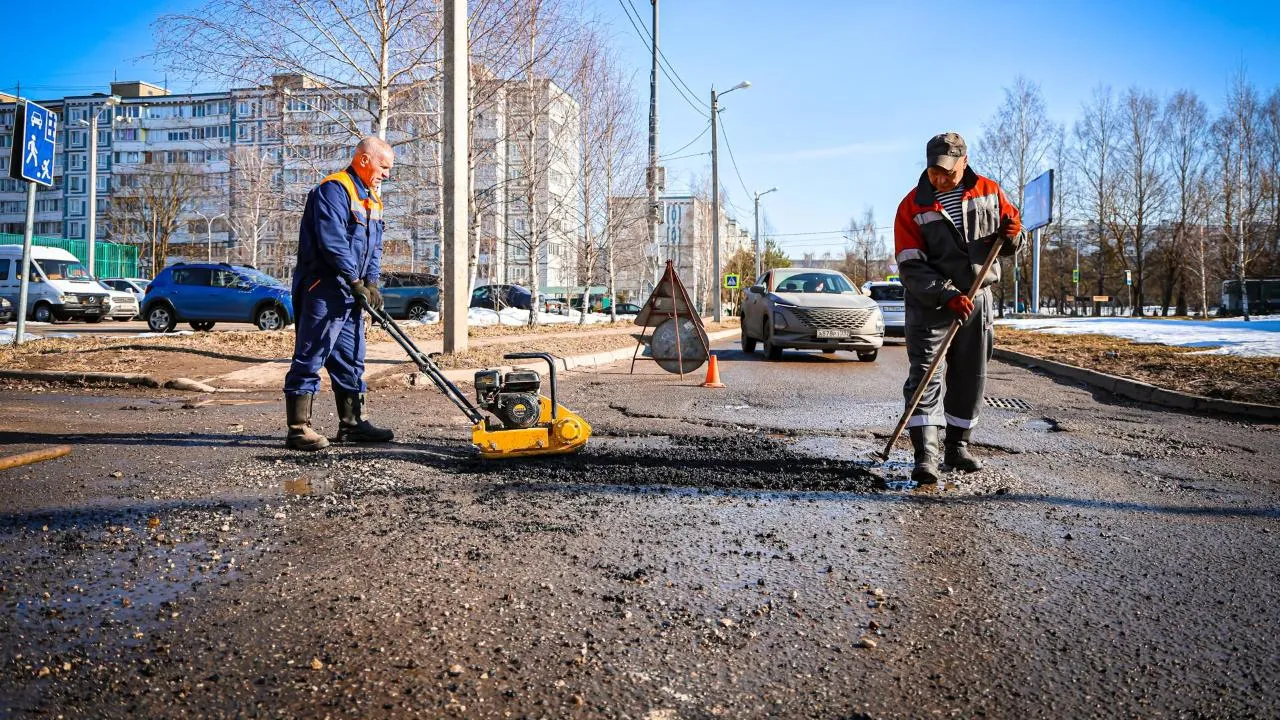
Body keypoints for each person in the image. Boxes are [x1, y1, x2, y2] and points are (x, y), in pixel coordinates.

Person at [892, 132, 1023, 483]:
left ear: (963, 162)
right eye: (934, 170)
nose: (940, 177)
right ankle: (926, 456)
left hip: (978, 297)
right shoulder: (912, 206)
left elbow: (1013, 239)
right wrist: (946, 293)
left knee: (970, 374)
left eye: (947, 171)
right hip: (930, 301)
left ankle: (958, 446)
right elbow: (910, 264)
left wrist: (1012, 236)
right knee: (925, 374)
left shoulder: (990, 192)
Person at [283, 136, 397, 451]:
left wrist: (370, 282)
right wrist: (354, 278)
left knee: (350, 358)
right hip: (324, 287)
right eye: (383, 167)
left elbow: (374, 246)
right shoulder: (333, 191)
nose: (386, 174)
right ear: (364, 160)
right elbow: (332, 241)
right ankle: (298, 429)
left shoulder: (372, 199)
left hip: (350, 291)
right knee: (312, 354)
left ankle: (352, 424)